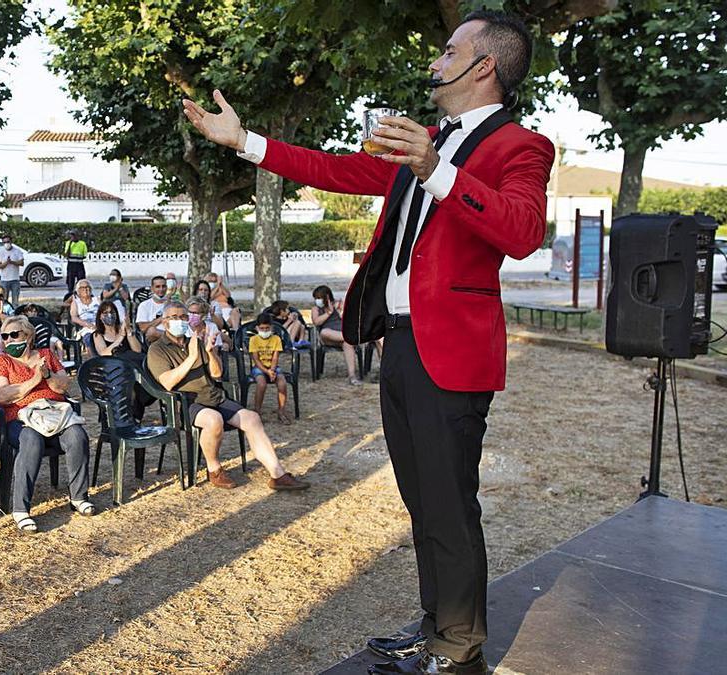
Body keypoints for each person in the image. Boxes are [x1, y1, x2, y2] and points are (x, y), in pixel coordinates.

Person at [184, 11, 550, 673]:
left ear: (485, 66)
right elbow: (336, 171)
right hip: (402, 344)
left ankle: (460, 649)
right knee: (421, 498)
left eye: (448, 51)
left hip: (455, 354)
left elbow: (522, 230)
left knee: (449, 501)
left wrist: (437, 169)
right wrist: (246, 141)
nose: (436, 63)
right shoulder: (425, 140)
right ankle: (435, 624)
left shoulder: (518, 146)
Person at [146, 303, 307, 492]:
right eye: (174, 317)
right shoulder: (157, 349)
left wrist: (210, 352)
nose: (180, 321)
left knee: (252, 418)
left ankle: (277, 474)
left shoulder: (196, 342)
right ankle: (214, 469)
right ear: (165, 323)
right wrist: (191, 357)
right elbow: (167, 383)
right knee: (214, 420)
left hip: (212, 396)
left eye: (183, 317)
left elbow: (216, 374)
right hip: (185, 402)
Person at [0, 316, 95, 533]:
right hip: (20, 419)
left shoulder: (46, 355)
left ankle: (78, 497)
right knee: (31, 439)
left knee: (77, 436)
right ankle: (21, 509)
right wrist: (35, 380)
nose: (8, 340)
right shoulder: (1, 362)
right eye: (5, 336)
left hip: (55, 414)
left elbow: (63, 387)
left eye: (14, 334)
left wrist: (47, 374)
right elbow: (3, 395)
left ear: (28, 336)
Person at [311, 285, 364, 385]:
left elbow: (349, 319)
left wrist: (341, 310)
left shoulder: (337, 304)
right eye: (316, 298)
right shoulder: (316, 309)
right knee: (324, 332)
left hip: (341, 334)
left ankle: (352, 376)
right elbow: (316, 322)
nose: (317, 300)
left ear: (326, 297)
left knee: (347, 344)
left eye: (319, 298)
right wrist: (328, 313)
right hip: (328, 336)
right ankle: (354, 337)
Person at [247, 313, 291, 423]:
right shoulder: (253, 340)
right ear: (257, 328)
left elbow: (275, 357)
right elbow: (256, 360)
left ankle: (281, 411)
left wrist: (272, 370)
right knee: (261, 384)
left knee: (282, 383)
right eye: (262, 328)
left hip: (273, 366)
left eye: (267, 328)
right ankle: (257, 411)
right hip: (259, 367)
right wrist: (266, 371)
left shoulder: (276, 339)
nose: (265, 330)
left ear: (271, 327)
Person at [134, 276, 171, 343]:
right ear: (152, 288)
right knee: (152, 331)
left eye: (163, 286)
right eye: (158, 287)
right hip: (155, 339)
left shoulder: (172, 304)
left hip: (171, 332)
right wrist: (161, 319)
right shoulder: (144, 305)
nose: (161, 289)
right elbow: (143, 328)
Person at [0, 233, 25, 307]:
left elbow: (21, 263)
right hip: (4, 279)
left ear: (11, 241)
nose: (6, 244)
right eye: (4, 242)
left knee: (15, 300)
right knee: (4, 300)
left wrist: (12, 262)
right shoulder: (1, 252)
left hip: (15, 279)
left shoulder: (17, 251)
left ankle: (15, 313)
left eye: (8, 242)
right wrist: (6, 263)